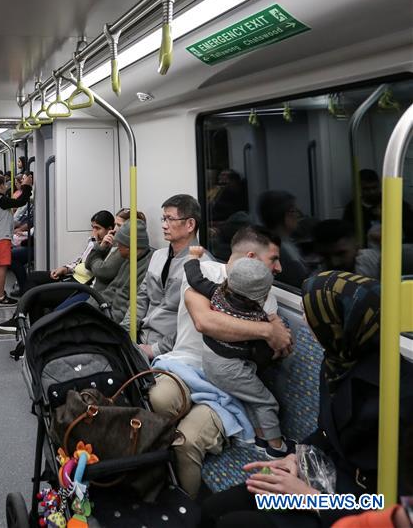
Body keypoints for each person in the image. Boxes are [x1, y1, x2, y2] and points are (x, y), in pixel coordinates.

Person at [201, 271, 413, 527]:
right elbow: (328, 433)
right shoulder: (337, 362)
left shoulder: (400, 397)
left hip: (352, 509)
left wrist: (309, 498)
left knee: (236, 524)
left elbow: (398, 512)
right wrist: (297, 458)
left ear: (338, 323)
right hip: (320, 478)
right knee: (216, 508)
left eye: (311, 314)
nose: (305, 320)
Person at [148, 225, 293, 498]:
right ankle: (148, 480)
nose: (279, 268)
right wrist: (266, 330)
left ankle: (185, 508)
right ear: (251, 257)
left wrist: (275, 333)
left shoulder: (264, 292)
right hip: (186, 366)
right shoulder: (207, 274)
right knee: (159, 400)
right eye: (273, 259)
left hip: (228, 386)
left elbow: (278, 341)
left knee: (186, 442)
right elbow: (206, 321)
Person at [184, 248, 293, 458]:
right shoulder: (257, 318)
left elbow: (194, 277)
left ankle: (261, 438)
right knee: (266, 401)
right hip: (231, 369)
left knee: (252, 398)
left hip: (209, 360)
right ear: (262, 295)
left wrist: (194, 257)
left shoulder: (215, 292)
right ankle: (277, 448)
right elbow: (263, 356)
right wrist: (278, 338)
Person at [0, 209, 115, 335]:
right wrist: (66, 268)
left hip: (81, 285)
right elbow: (81, 260)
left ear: (109, 229)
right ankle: (22, 324)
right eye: (93, 228)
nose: (94, 232)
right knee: (32, 277)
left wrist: (100, 247)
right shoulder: (93, 243)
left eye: (98, 228)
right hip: (72, 275)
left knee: (36, 297)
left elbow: (94, 267)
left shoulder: (107, 249)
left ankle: (32, 333)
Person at [122, 194, 209, 359]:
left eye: (169, 219)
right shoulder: (158, 256)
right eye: (163, 219)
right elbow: (141, 299)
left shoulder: (203, 266)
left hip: (170, 350)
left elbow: (192, 325)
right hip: (140, 338)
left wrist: (154, 350)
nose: (163, 225)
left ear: (190, 224)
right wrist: (125, 334)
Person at [0, 173, 33, 306]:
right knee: (2, 267)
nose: (7, 186)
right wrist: (26, 186)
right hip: (2, 237)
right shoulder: (1, 200)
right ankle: (1, 297)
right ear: (0, 186)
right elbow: (21, 201)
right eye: (5, 184)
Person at [343, 168, 413, 243]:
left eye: (374, 187)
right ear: (358, 188)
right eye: (366, 189)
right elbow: (348, 233)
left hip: (398, 245)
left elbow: (410, 225)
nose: (371, 192)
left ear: (379, 185)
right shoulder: (353, 208)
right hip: (368, 249)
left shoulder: (392, 201)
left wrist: (385, 217)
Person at [257, 190, 308, 288]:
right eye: (293, 211)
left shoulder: (282, 242)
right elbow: (299, 282)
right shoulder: (279, 251)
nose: (298, 215)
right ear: (282, 215)